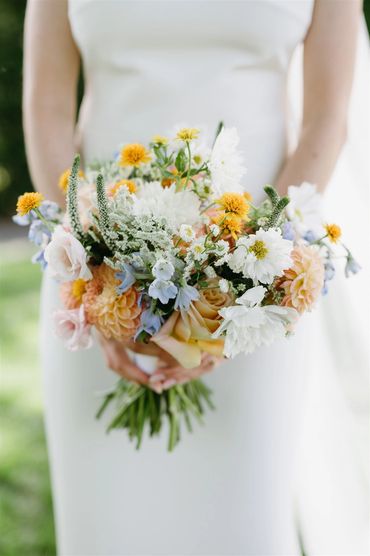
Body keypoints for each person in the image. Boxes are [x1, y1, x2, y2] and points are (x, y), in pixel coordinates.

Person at [23, 1, 366, 554]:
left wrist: (238, 291)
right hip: (92, 281)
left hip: (257, 290)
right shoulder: (93, 279)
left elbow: (327, 119)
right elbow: (46, 107)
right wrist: (96, 275)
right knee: (106, 528)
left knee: (242, 523)